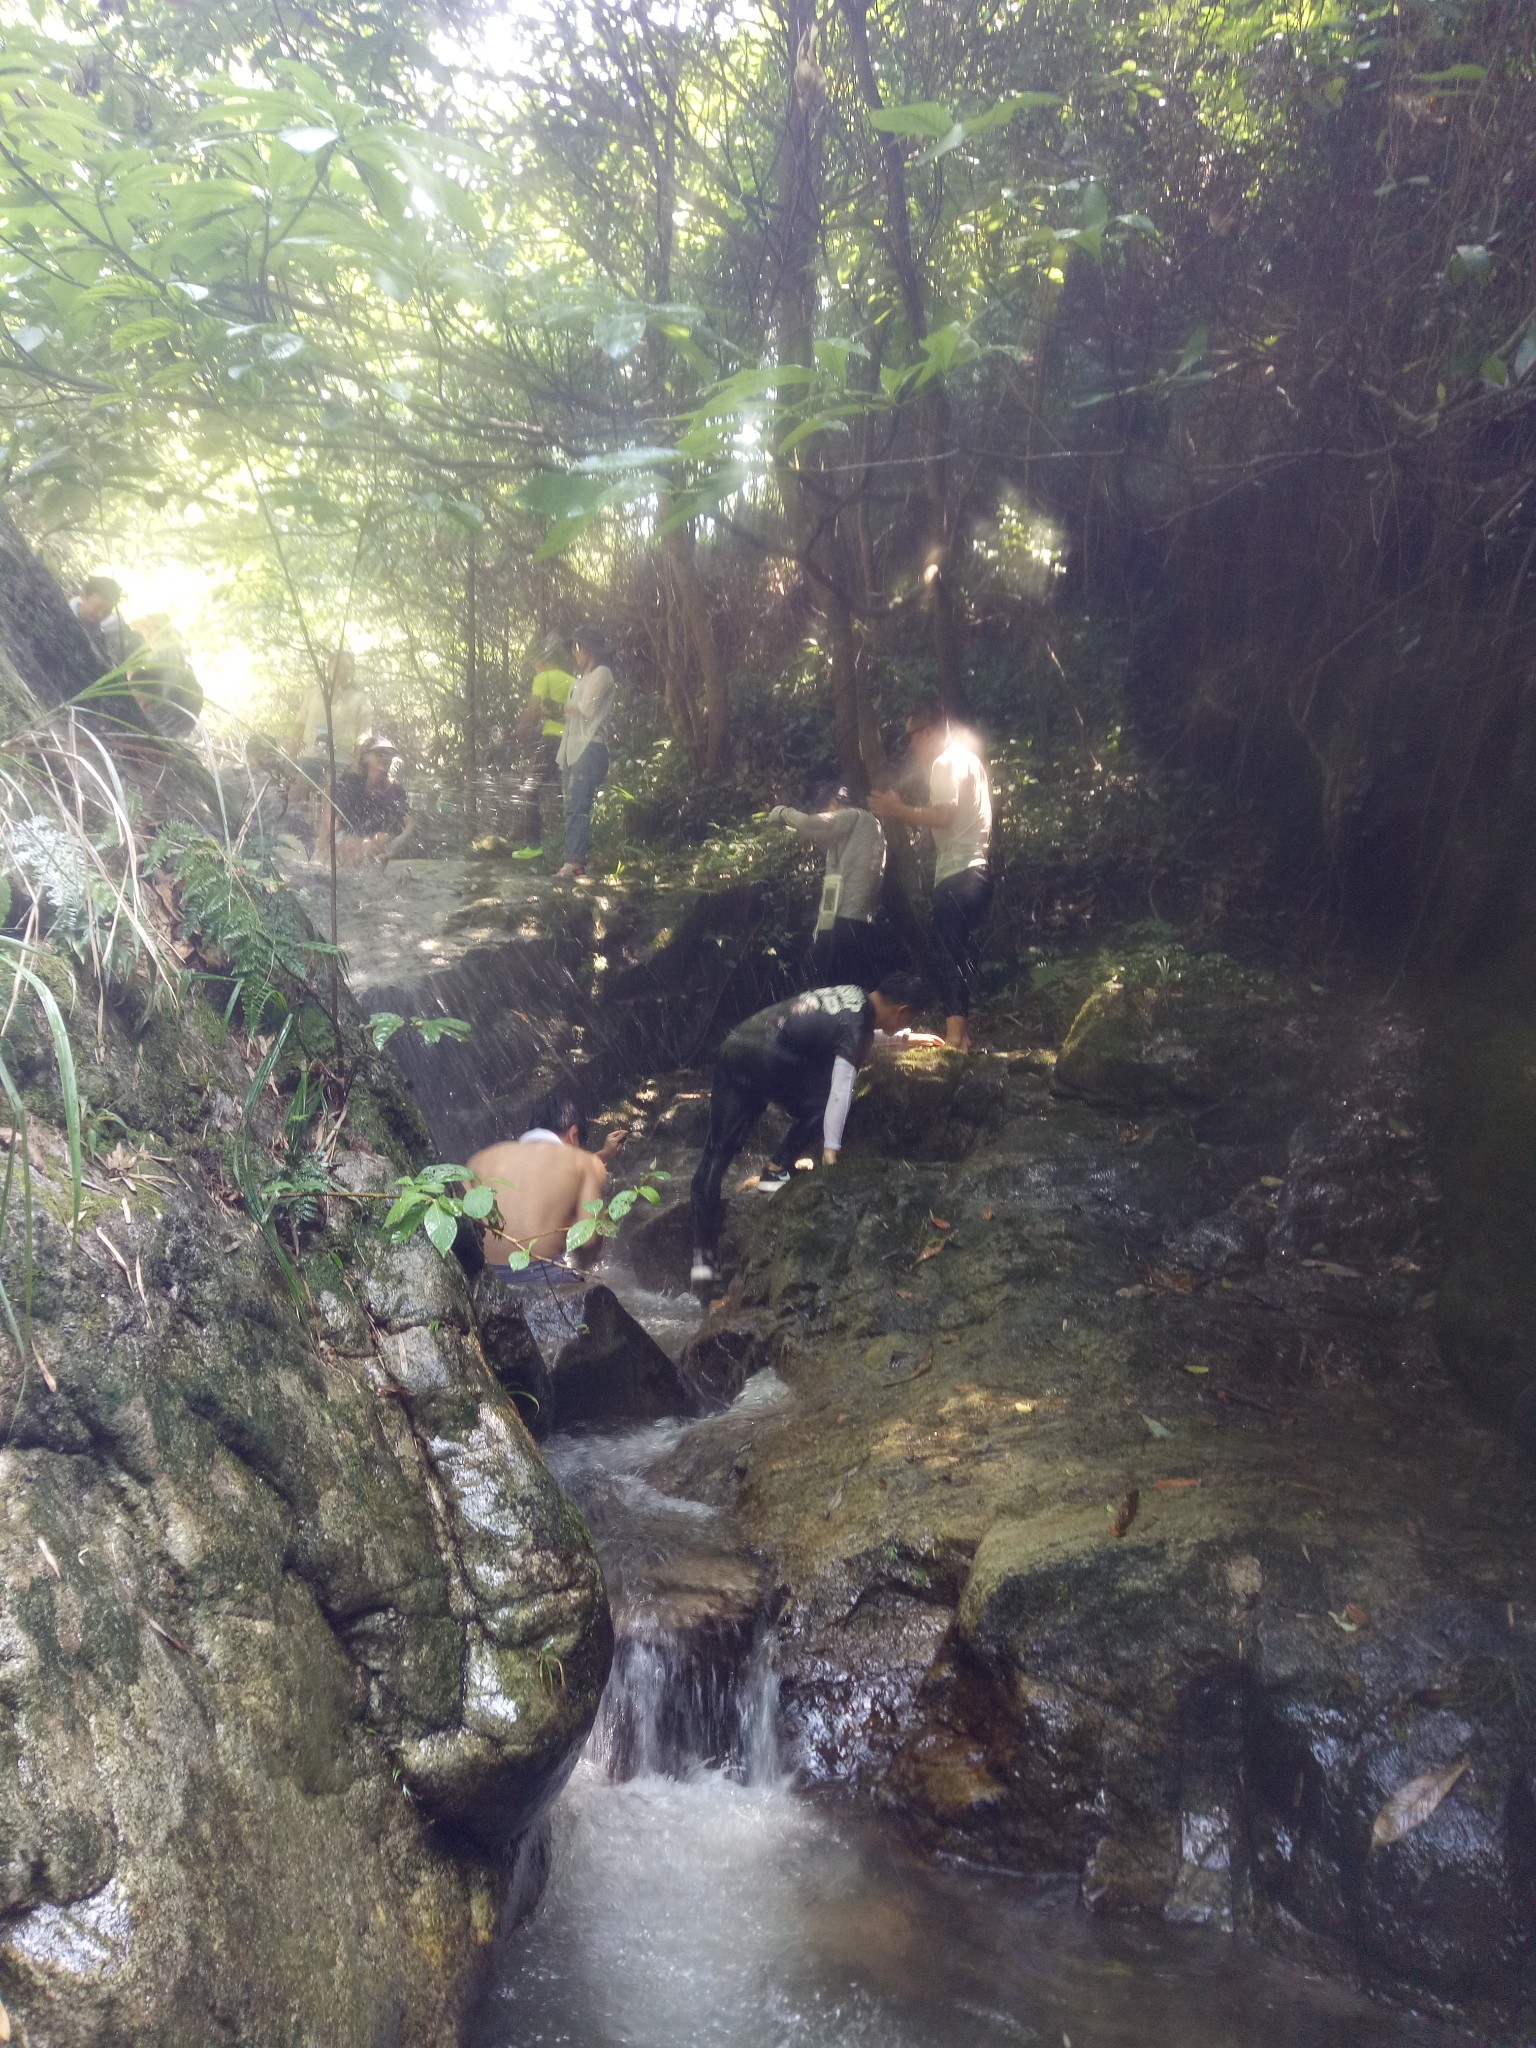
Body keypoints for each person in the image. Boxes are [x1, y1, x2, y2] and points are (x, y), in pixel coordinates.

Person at [688, 970, 932, 1288]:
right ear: (903, 1011)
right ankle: (777, 1169)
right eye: (910, 1021)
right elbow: (840, 1090)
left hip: (737, 1047)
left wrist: (902, 1038)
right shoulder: (858, 1026)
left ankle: (703, 1264)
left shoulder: (852, 994)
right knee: (822, 1099)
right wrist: (831, 1150)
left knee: (715, 1158)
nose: (908, 1025)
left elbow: (836, 1028)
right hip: (768, 1059)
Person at [869, 702, 993, 1052]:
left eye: (912, 737)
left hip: (958, 872)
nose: (910, 746)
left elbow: (943, 814)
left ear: (927, 733)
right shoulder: (970, 761)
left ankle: (957, 1038)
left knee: (947, 955)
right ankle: (962, 1034)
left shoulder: (946, 762)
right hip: (979, 871)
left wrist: (899, 810)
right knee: (957, 953)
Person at [468, 1093, 627, 1278]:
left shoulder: (478, 1162)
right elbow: (589, 1246)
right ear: (573, 1134)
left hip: (486, 1281)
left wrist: (603, 1155)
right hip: (545, 1278)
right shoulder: (586, 1164)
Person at [767, 782, 891, 988]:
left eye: (824, 811)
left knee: (820, 988)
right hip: (858, 923)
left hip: (845, 922)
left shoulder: (854, 816)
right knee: (845, 988)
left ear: (834, 803)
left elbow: (811, 824)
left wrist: (783, 813)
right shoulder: (866, 830)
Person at [291, 651, 375, 848]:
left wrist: (357, 763)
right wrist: (291, 752)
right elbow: (299, 724)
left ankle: (325, 849)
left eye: (347, 667)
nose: (341, 671)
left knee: (331, 806)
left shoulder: (362, 699)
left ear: (352, 671)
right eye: (337, 665)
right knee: (293, 795)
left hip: (342, 761)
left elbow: (364, 734)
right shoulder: (313, 693)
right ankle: (287, 837)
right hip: (311, 755)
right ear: (328, 667)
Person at [554, 626, 615, 881]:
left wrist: (560, 706)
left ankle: (576, 862)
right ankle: (572, 858)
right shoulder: (582, 679)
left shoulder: (603, 674)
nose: (575, 653)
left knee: (579, 805)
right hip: (573, 747)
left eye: (578, 648)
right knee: (571, 804)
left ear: (589, 649)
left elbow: (586, 709)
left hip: (591, 746)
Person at [513, 638, 575, 849]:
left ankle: (533, 846)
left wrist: (521, 731)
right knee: (566, 792)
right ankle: (568, 846)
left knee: (530, 790)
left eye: (535, 666)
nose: (535, 670)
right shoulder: (572, 681)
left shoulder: (543, 678)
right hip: (573, 742)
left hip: (552, 740)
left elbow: (532, 710)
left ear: (542, 662)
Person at [333, 735, 413, 867]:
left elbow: (409, 823)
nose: (385, 757)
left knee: (381, 839)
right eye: (380, 753)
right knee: (359, 845)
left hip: (376, 840)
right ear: (365, 757)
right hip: (345, 838)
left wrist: (394, 846)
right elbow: (333, 819)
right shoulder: (350, 782)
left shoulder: (395, 789)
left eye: (390, 754)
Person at [126, 615, 203, 738]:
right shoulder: (174, 649)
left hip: (164, 708)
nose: (146, 633)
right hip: (175, 711)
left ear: (155, 630)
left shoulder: (162, 647)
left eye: (148, 628)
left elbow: (148, 676)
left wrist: (131, 674)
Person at [70, 575, 129, 666]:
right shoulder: (54, 612)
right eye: (97, 607)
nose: (100, 615)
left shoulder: (100, 641)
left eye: (107, 611)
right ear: (83, 596)